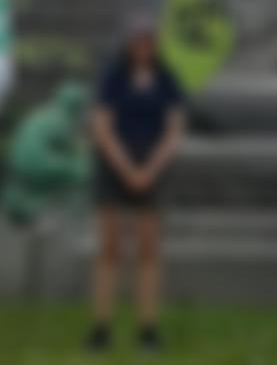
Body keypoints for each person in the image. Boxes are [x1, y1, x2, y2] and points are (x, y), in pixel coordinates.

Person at [86, 28, 188, 353]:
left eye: (148, 41)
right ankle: (102, 325)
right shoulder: (113, 77)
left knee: (148, 251)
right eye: (137, 41)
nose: (142, 47)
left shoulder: (167, 79)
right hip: (115, 163)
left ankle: (148, 327)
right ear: (128, 44)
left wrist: (149, 170)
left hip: (152, 163)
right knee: (110, 249)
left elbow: (174, 131)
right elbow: (101, 126)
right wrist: (127, 169)